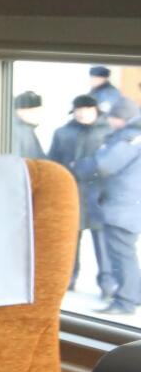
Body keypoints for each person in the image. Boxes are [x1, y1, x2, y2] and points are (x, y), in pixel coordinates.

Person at [77, 113, 141, 316]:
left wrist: (79, 166)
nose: (110, 121)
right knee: (126, 253)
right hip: (130, 206)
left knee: (121, 256)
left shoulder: (131, 136)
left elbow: (105, 165)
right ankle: (134, 295)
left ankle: (125, 302)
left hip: (121, 207)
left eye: (113, 116)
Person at [53, 96, 116, 299]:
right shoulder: (63, 132)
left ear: (96, 110)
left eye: (87, 109)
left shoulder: (109, 132)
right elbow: (54, 162)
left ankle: (107, 284)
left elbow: (113, 165)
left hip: (100, 195)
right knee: (70, 240)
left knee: (103, 242)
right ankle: (68, 280)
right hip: (72, 193)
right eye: (78, 110)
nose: (82, 114)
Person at [11, 90, 46, 160]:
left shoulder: (26, 128)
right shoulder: (20, 131)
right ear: (20, 110)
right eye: (33, 111)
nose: (38, 115)